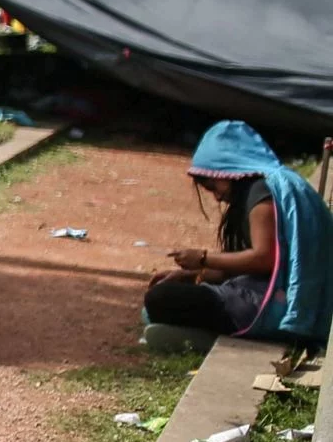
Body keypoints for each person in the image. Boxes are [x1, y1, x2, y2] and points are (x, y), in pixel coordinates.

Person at [142, 121, 332, 351]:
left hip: (269, 305)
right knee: (160, 298)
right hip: (264, 295)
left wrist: (203, 258)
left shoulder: (261, 193)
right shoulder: (268, 186)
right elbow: (246, 265)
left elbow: (264, 259)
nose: (217, 197)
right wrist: (193, 276)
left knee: (161, 299)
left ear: (228, 171)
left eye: (214, 186)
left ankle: (205, 336)